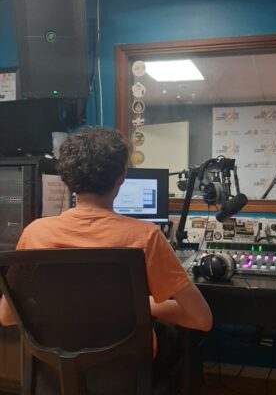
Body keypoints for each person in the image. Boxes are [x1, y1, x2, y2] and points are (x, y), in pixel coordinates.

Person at [0, 127, 212, 393]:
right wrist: (144, 306)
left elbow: (6, 316)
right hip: (124, 371)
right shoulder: (146, 236)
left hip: (55, 371)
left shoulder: (35, 233)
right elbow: (201, 319)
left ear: (67, 178)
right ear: (121, 176)